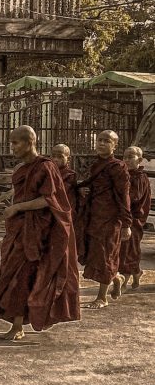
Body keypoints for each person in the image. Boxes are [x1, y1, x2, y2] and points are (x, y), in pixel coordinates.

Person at [0, 126, 79, 341]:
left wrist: (18, 208)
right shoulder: (20, 169)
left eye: (15, 143)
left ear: (30, 142)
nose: (12, 147)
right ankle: (17, 324)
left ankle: (18, 326)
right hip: (20, 230)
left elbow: (49, 200)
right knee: (14, 275)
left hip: (40, 233)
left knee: (26, 277)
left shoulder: (46, 167)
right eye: (11, 143)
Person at [76, 130, 132, 308]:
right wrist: (81, 191)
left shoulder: (118, 167)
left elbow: (123, 196)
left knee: (106, 255)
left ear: (115, 146)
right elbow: (86, 186)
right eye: (99, 140)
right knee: (96, 255)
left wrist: (126, 224)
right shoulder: (95, 165)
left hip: (110, 218)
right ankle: (116, 278)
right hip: (94, 217)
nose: (101, 144)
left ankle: (102, 297)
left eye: (107, 141)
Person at [118, 146, 150, 291]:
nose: (127, 160)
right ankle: (137, 273)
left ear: (140, 159)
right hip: (124, 218)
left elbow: (133, 197)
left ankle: (124, 281)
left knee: (130, 249)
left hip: (135, 219)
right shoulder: (124, 175)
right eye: (125, 157)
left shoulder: (140, 177)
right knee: (124, 249)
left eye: (131, 157)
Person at [51, 144, 78, 218]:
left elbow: (60, 192)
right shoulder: (48, 172)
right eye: (53, 156)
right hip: (51, 209)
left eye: (60, 157)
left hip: (65, 210)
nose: (55, 159)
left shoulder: (70, 175)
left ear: (68, 159)